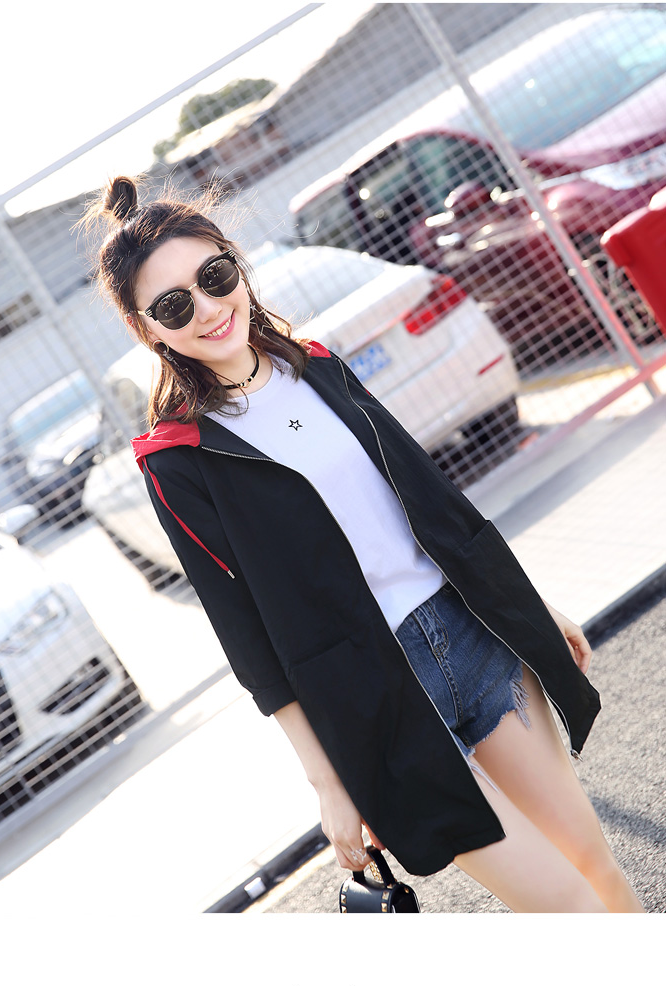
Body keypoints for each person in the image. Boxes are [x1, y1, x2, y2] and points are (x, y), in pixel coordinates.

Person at [86, 175, 644, 913]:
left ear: (237, 267)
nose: (209, 309)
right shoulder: (178, 459)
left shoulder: (317, 367)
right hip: (377, 702)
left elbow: (434, 500)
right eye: (174, 306)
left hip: (471, 636)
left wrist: (532, 608)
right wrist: (328, 782)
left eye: (214, 277)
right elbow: (246, 635)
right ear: (149, 329)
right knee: (563, 905)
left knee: (596, 867)